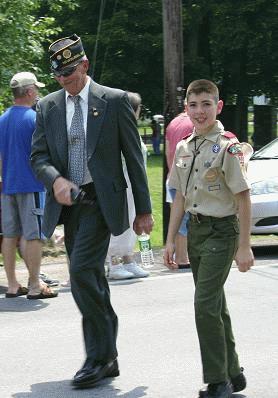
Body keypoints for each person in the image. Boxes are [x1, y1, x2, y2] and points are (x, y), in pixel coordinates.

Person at [30, 34, 153, 389]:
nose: (64, 80)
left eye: (69, 72)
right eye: (58, 75)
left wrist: (143, 210)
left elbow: (134, 158)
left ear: (84, 65)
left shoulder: (114, 102)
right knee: (93, 279)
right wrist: (55, 181)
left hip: (103, 200)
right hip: (70, 205)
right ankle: (108, 354)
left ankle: (96, 358)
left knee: (82, 271)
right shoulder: (49, 106)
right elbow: (37, 157)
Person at [164, 79, 254, 398]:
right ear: (186, 108)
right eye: (193, 105)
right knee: (215, 302)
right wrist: (171, 239)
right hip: (197, 230)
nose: (199, 111)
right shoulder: (185, 147)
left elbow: (243, 197)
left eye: (206, 104)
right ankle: (233, 371)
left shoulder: (228, 147)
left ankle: (218, 382)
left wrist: (244, 246)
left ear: (218, 107)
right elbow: (178, 197)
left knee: (204, 304)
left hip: (222, 230)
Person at [0, 72, 58, 299]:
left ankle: (13, 284)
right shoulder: (34, 120)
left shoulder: (2, 120)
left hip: (7, 186)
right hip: (31, 183)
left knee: (10, 235)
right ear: (30, 91)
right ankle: (35, 284)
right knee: (33, 235)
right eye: (37, 89)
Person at [108, 91, 149, 280]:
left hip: (136, 187)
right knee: (120, 222)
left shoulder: (131, 130)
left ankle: (128, 258)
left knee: (133, 221)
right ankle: (112, 262)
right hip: (122, 185)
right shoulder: (116, 130)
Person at [165, 108, 194, 269]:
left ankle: (176, 254)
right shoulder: (194, 125)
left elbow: (169, 150)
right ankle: (182, 258)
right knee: (184, 220)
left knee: (176, 219)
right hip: (185, 178)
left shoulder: (172, 124)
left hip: (172, 176)